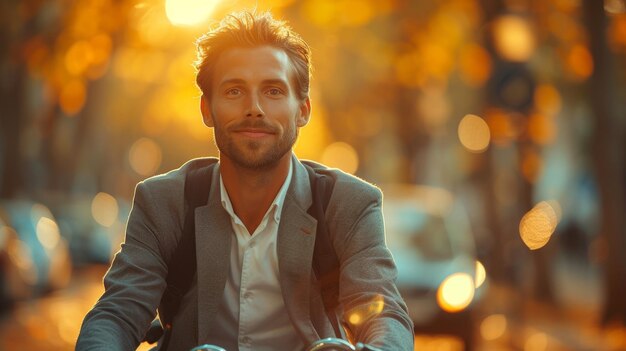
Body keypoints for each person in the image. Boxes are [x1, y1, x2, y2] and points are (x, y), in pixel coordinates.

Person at [76, 11, 414, 351]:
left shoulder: (349, 204)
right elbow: (118, 312)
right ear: (207, 109)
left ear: (303, 110)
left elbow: (382, 313)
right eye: (235, 91)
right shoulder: (163, 202)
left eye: (273, 91)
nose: (254, 108)